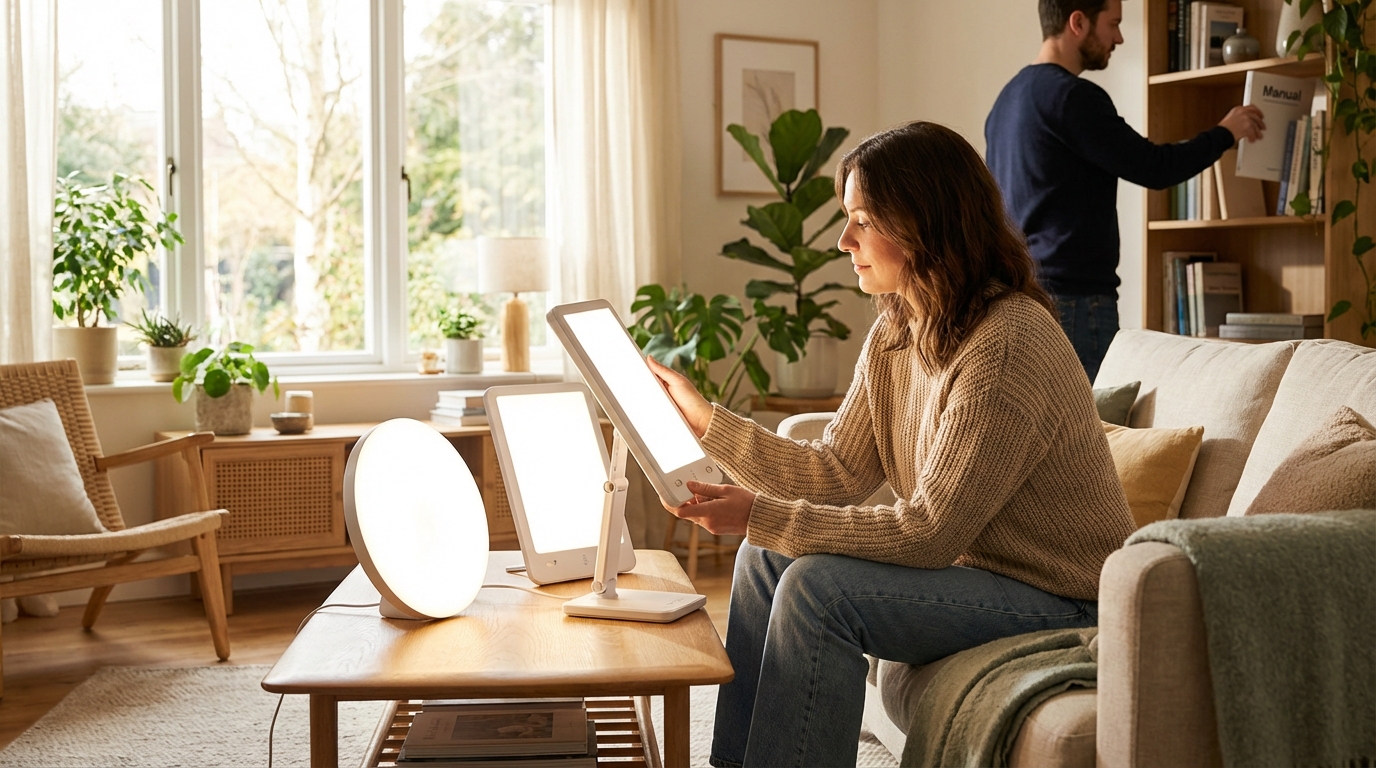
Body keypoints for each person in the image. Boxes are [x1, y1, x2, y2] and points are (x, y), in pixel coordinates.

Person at [646, 122, 1137, 768]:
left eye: (861, 220)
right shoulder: (898, 329)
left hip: (1061, 595)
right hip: (981, 574)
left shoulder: (1007, 342)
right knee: (762, 559)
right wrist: (707, 421)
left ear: (922, 224)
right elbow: (833, 471)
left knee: (818, 590)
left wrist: (758, 512)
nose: (843, 241)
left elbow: (929, 532)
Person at [985, 0, 1265, 381]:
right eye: (1113, 24)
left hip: (1022, 298)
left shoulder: (1005, 101)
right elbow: (1154, 167)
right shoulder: (1073, 97)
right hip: (1075, 304)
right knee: (1094, 435)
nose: (1118, 37)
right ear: (1078, 22)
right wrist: (1225, 133)